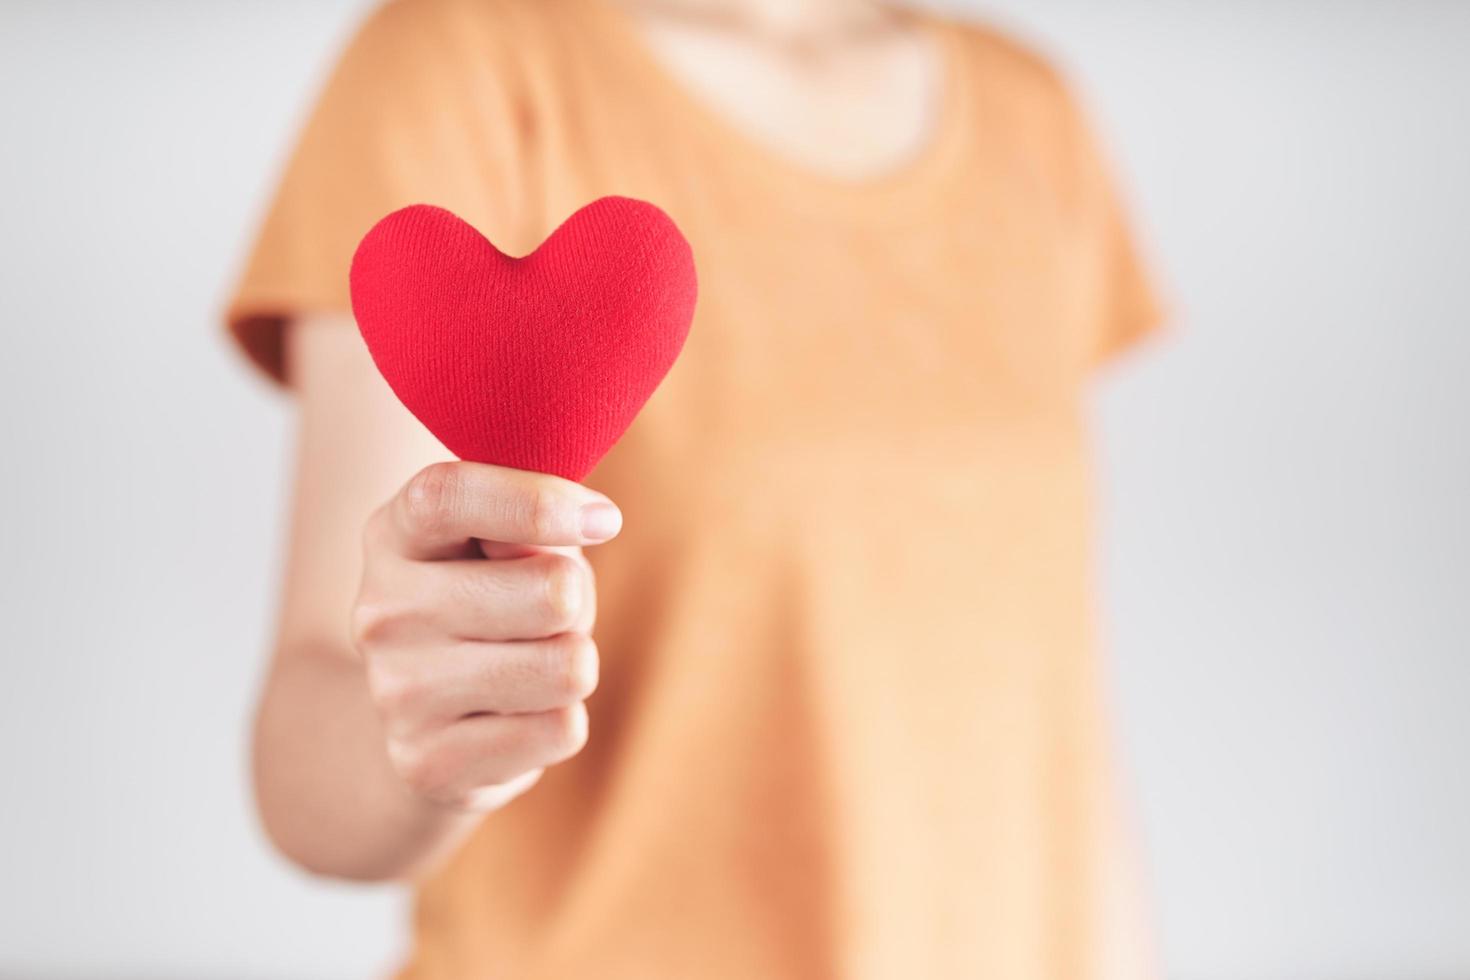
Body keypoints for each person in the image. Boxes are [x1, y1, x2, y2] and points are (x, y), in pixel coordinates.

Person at [226, 0, 1165, 975]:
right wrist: (424, 741)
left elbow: (1055, 692)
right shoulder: (457, 59)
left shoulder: (1030, 110)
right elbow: (309, 738)